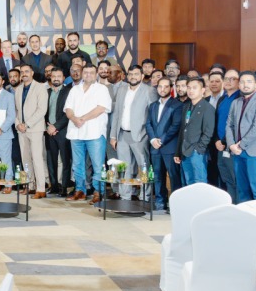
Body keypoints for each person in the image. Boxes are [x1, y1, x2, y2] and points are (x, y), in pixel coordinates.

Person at [64, 64, 111, 203]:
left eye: (91, 72)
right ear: (82, 73)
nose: (88, 75)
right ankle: (80, 190)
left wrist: (82, 119)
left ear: (96, 74)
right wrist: (74, 119)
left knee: (98, 165)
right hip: (76, 132)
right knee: (77, 164)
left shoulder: (102, 89)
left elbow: (101, 108)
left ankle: (98, 192)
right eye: (86, 72)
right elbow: (68, 109)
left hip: (94, 132)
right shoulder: (74, 89)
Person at [226, 72, 256, 203]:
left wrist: (240, 145)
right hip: (237, 152)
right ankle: (246, 218)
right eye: (243, 82)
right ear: (239, 84)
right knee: (241, 188)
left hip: (254, 152)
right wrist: (231, 145)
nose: (246, 85)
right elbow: (229, 125)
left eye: (249, 81)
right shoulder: (236, 102)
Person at [109, 65, 154, 198]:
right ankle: (125, 196)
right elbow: (116, 113)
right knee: (123, 167)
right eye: (130, 74)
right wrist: (113, 135)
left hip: (141, 135)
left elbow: (153, 115)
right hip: (122, 134)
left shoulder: (149, 91)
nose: (133, 77)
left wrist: (149, 135)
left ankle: (145, 196)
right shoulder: (122, 89)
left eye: (136, 74)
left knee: (143, 166)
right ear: (126, 76)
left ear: (141, 76)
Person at [146, 77, 182, 211]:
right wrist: (152, 140)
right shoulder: (153, 105)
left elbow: (175, 125)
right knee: (157, 176)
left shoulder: (177, 105)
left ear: (171, 88)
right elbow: (148, 123)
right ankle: (160, 202)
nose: (162, 89)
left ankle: (176, 204)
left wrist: (161, 140)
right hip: (155, 148)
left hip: (169, 147)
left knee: (173, 177)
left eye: (166, 87)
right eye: (160, 86)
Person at [14, 64, 49, 198]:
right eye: (22, 72)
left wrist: (27, 124)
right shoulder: (18, 89)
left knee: (37, 158)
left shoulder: (40, 88)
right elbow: (16, 110)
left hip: (35, 128)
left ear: (32, 73)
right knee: (26, 159)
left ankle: (41, 188)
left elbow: (42, 110)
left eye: (27, 71)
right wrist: (18, 124)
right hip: (21, 130)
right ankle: (30, 184)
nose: (24, 74)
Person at [175, 77, 215, 189]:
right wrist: (178, 152)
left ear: (203, 90)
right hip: (184, 150)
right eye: (189, 88)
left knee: (199, 183)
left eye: (194, 88)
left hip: (197, 152)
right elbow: (183, 130)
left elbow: (208, 132)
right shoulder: (187, 106)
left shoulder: (207, 108)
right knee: (188, 182)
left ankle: (201, 206)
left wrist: (199, 149)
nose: (190, 90)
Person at [212, 69, 242, 194]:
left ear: (239, 81)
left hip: (233, 145)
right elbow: (216, 121)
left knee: (237, 179)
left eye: (232, 79)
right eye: (226, 79)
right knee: (226, 179)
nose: (229, 81)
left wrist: (226, 141)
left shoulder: (241, 98)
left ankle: (238, 207)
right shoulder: (222, 99)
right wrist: (217, 140)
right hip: (220, 146)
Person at [44, 68, 72, 196]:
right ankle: (54, 185)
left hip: (63, 131)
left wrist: (55, 127)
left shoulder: (69, 92)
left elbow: (69, 113)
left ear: (63, 77)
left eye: (58, 76)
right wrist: (47, 126)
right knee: (51, 160)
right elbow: (42, 111)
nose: (56, 78)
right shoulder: (46, 92)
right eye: (53, 76)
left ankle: (64, 187)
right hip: (48, 131)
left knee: (65, 160)